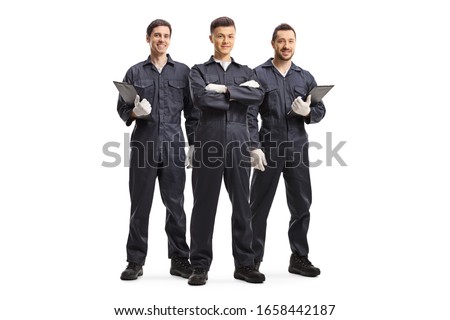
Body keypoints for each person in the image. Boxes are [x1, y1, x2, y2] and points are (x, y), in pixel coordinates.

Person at [187, 16, 265, 285]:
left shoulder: (246, 72)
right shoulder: (197, 71)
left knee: (243, 207)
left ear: (235, 38)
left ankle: (245, 264)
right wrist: (237, 95)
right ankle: (199, 265)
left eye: (230, 36)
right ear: (211, 38)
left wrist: (222, 91)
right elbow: (201, 99)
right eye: (220, 36)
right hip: (208, 146)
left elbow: (256, 98)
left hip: (239, 145)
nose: (225, 41)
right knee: (203, 208)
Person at [117, 19, 197, 280]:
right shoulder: (134, 72)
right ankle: (135, 261)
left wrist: (194, 144)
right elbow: (122, 109)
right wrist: (134, 112)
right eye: (156, 35)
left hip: (174, 146)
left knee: (176, 204)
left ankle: (179, 259)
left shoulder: (183, 72)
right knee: (140, 205)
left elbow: (192, 113)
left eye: (165, 36)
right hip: (144, 146)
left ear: (170, 39)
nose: (161, 40)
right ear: (148, 38)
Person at [248, 23, 326, 277]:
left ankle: (299, 258)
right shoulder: (258, 75)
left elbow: (320, 109)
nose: (286, 46)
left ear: (295, 43)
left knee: (301, 205)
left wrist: (308, 113)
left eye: (290, 41)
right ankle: (251, 260)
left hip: (297, 148)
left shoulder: (304, 77)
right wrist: (253, 147)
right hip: (268, 148)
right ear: (273, 44)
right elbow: (249, 114)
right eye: (281, 41)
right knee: (258, 207)